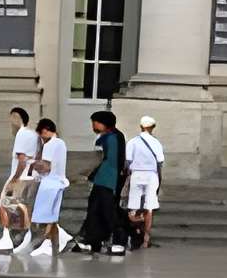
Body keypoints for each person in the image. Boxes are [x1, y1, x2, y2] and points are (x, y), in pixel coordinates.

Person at [76, 109, 129, 256]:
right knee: (95, 211)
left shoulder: (110, 138)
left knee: (109, 212)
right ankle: (93, 241)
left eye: (95, 122)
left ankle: (118, 242)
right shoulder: (112, 136)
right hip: (103, 181)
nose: (93, 125)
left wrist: (89, 173)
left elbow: (106, 160)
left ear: (103, 123)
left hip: (108, 181)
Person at [26, 117, 70, 258]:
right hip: (58, 181)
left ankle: (47, 241)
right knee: (52, 215)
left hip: (50, 183)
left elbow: (46, 166)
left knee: (45, 215)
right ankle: (56, 239)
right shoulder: (61, 143)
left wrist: (32, 164)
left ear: (45, 131)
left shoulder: (51, 144)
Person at [0, 105, 35, 252]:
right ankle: (22, 235)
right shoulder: (32, 134)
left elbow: (22, 160)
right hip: (29, 176)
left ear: (18, 119)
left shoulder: (22, 135)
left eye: (12, 119)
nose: (10, 123)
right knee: (19, 207)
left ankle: (8, 237)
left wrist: (14, 180)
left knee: (4, 203)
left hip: (20, 177)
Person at [124, 115, 166, 252]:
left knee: (133, 206)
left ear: (141, 127)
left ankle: (134, 235)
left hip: (136, 174)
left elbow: (128, 161)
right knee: (149, 207)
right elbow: (160, 161)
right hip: (151, 175)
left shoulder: (132, 142)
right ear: (153, 127)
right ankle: (146, 239)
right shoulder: (156, 143)